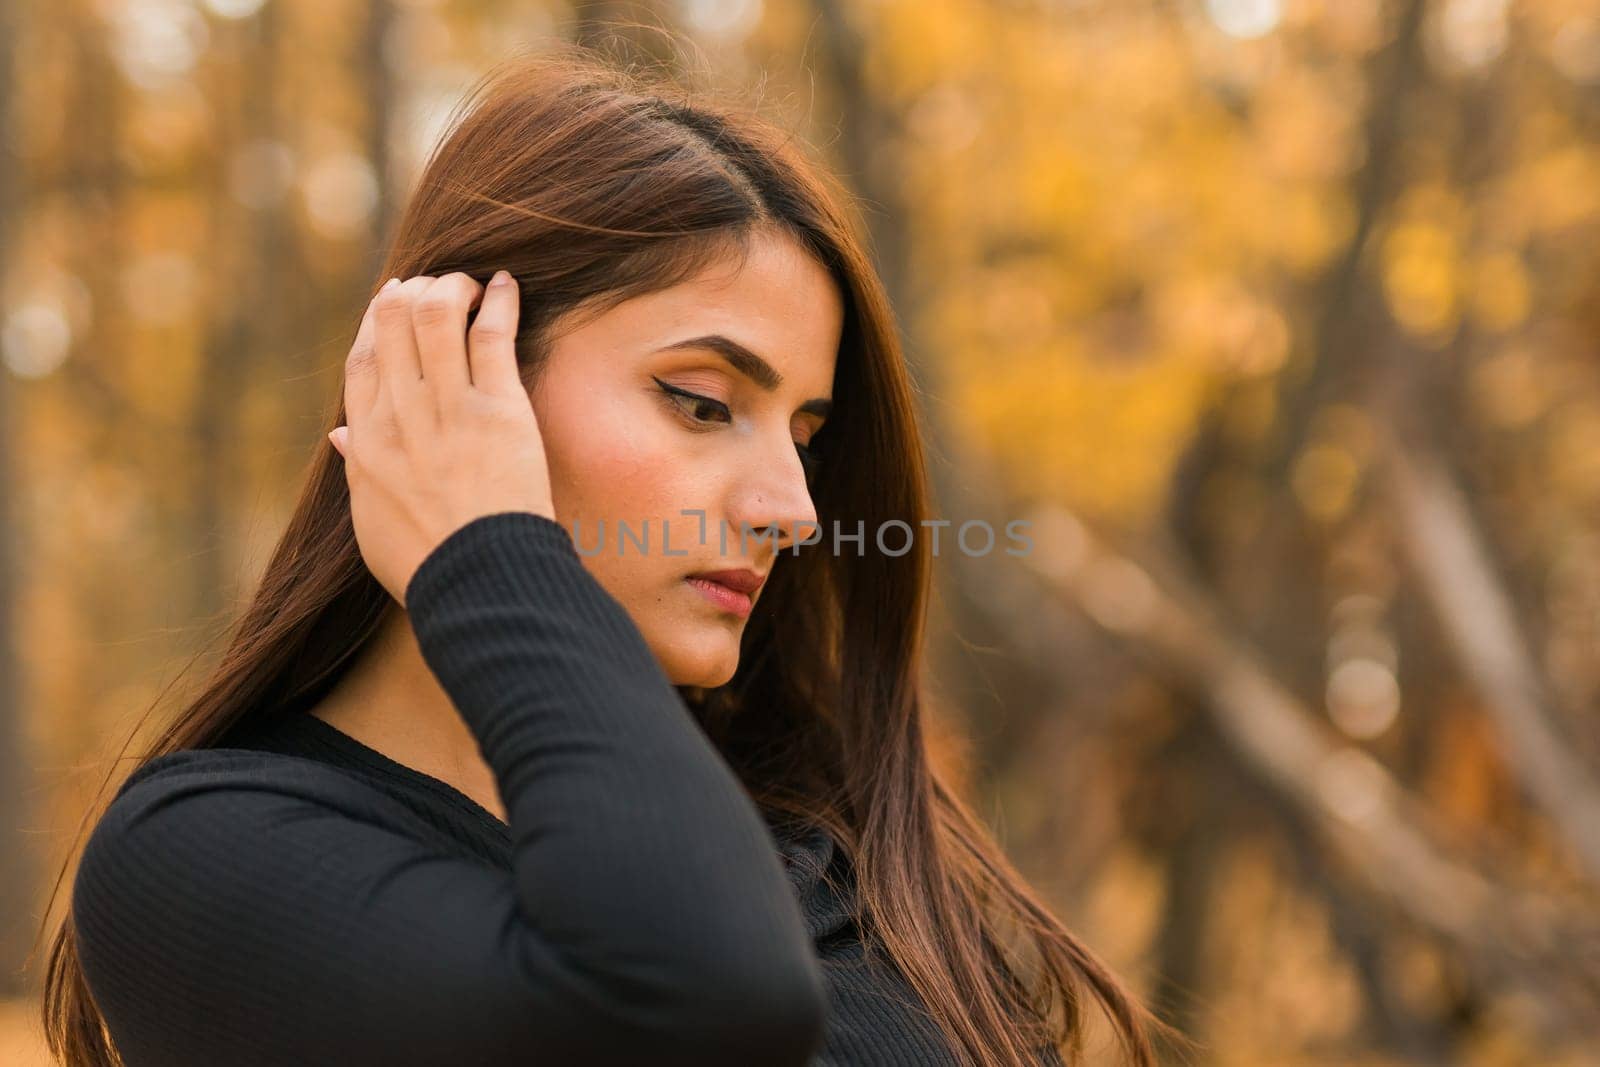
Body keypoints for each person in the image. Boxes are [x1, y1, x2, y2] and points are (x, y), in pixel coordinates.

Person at [40, 45, 1177, 1067]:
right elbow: (703, 1001)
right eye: (698, 401)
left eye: (807, 437)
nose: (792, 506)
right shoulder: (209, 857)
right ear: (456, 384)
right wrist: (487, 551)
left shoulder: (823, 844)